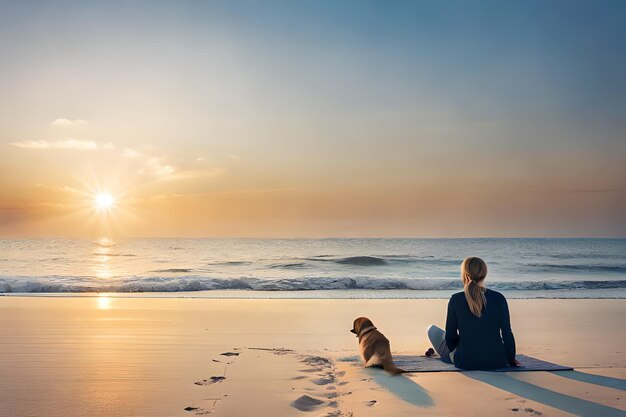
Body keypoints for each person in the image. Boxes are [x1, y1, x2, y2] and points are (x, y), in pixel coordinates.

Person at [427, 257, 520, 369]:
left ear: (465, 275)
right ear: (484, 274)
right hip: (497, 360)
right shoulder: (499, 298)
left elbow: (451, 336)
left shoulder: (456, 299)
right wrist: (511, 358)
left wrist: (458, 351)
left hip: (465, 361)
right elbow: (507, 333)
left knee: (432, 330)